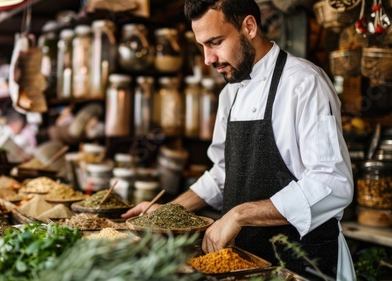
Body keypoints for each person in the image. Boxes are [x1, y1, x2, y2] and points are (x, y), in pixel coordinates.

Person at [122, 0, 355, 280]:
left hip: (301, 262)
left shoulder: (304, 83)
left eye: (215, 42)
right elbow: (223, 172)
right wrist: (171, 211)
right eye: (203, 45)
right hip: (244, 262)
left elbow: (332, 184)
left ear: (249, 26)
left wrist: (239, 215)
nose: (208, 58)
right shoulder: (230, 93)